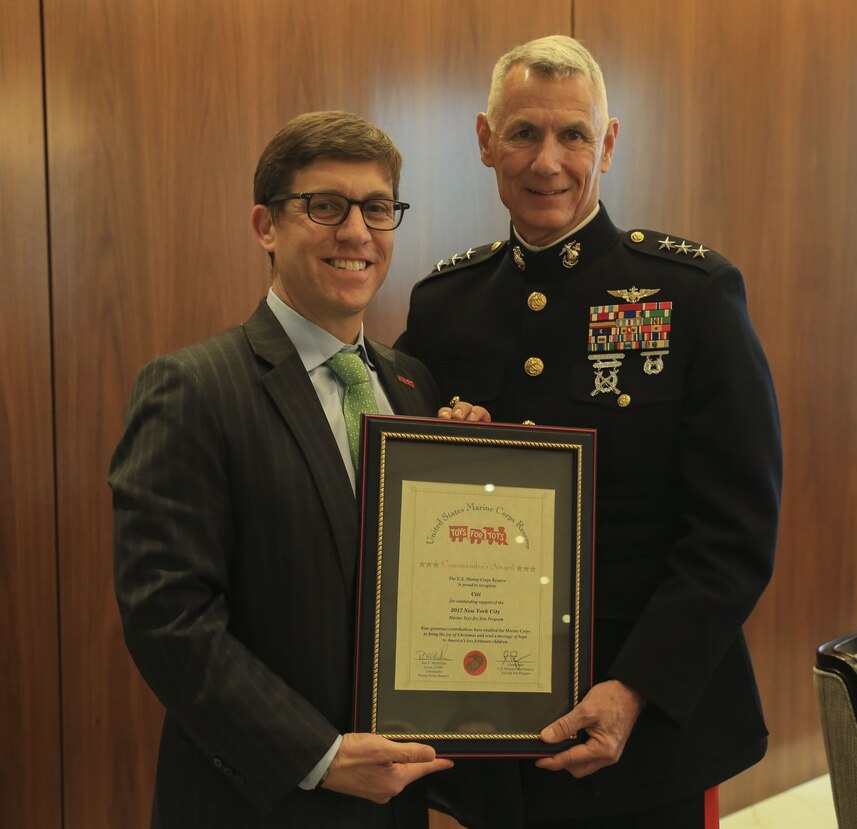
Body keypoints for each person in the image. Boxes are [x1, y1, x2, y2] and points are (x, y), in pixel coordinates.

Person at [396, 36, 782, 829]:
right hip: (484, 715)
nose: (547, 162)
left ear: (606, 143)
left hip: (645, 727)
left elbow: (734, 533)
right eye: (523, 133)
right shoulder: (443, 305)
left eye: (573, 134)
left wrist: (634, 687)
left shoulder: (693, 294)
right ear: (483, 140)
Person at [110, 110, 489, 829]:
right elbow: (170, 620)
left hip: (399, 799)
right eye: (325, 206)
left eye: (377, 208)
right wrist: (319, 752)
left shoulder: (414, 386)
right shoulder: (191, 388)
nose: (356, 233)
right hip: (260, 799)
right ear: (265, 226)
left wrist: (478, 474)